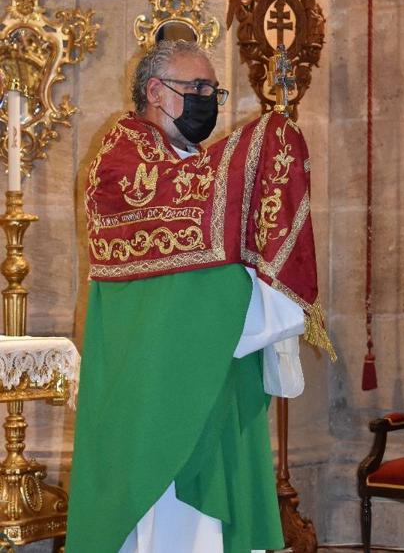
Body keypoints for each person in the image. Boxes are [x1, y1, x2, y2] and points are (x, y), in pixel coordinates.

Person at [65, 39, 332, 553]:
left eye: (215, 89)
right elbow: (193, 198)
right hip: (153, 383)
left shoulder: (186, 159)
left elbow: (214, 198)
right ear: (155, 91)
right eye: (198, 89)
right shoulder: (121, 158)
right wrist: (264, 139)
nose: (210, 100)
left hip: (209, 369)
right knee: (163, 521)